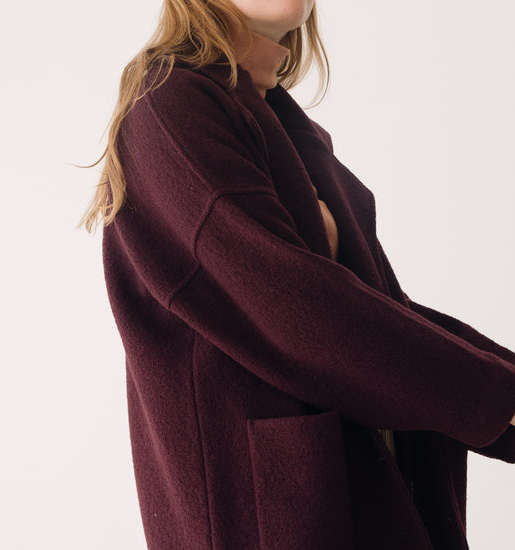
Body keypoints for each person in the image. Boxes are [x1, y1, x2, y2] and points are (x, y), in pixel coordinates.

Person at [78, 1, 515, 548]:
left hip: (364, 495)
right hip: (273, 515)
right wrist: (497, 397)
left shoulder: (279, 120)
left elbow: (379, 310)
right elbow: (296, 308)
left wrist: (502, 391)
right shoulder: (171, 106)